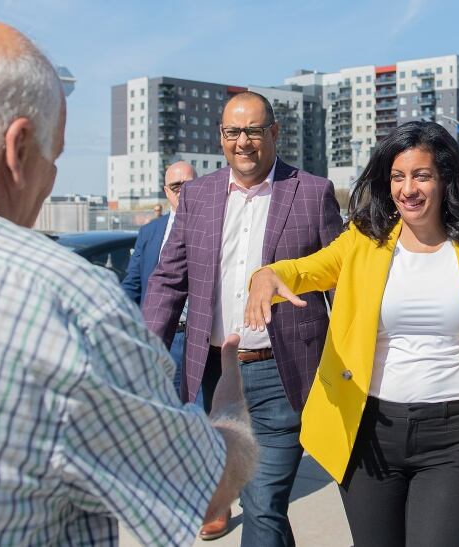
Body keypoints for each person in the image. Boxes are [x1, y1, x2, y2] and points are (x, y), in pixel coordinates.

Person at [0, 17, 258, 546]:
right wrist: (229, 406)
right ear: (17, 148)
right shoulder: (57, 299)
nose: (51, 182)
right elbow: (202, 485)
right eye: (54, 157)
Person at [246, 121, 459, 547]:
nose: (407, 189)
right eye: (398, 176)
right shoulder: (364, 240)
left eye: (421, 175)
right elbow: (311, 267)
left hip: (453, 438)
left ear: (444, 179)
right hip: (369, 433)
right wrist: (269, 274)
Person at [142, 91, 343, 545]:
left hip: (283, 369)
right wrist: (146, 350)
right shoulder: (198, 196)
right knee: (260, 505)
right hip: (215, 373)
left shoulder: (311, 192)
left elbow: (339, 282)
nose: (243, 142)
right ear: (221, 137)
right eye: (233, 132)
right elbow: (168, 281)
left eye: (253, 130)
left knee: (264, 500)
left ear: (273, 132)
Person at [122, 161, 197, 396]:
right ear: (166, 192)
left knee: (203, 416)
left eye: (189, 185)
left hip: (201, 340)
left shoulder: (217, 226)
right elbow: (132, 286)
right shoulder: (150, 232)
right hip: (161, 339)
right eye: (176, 186)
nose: (183, 191)